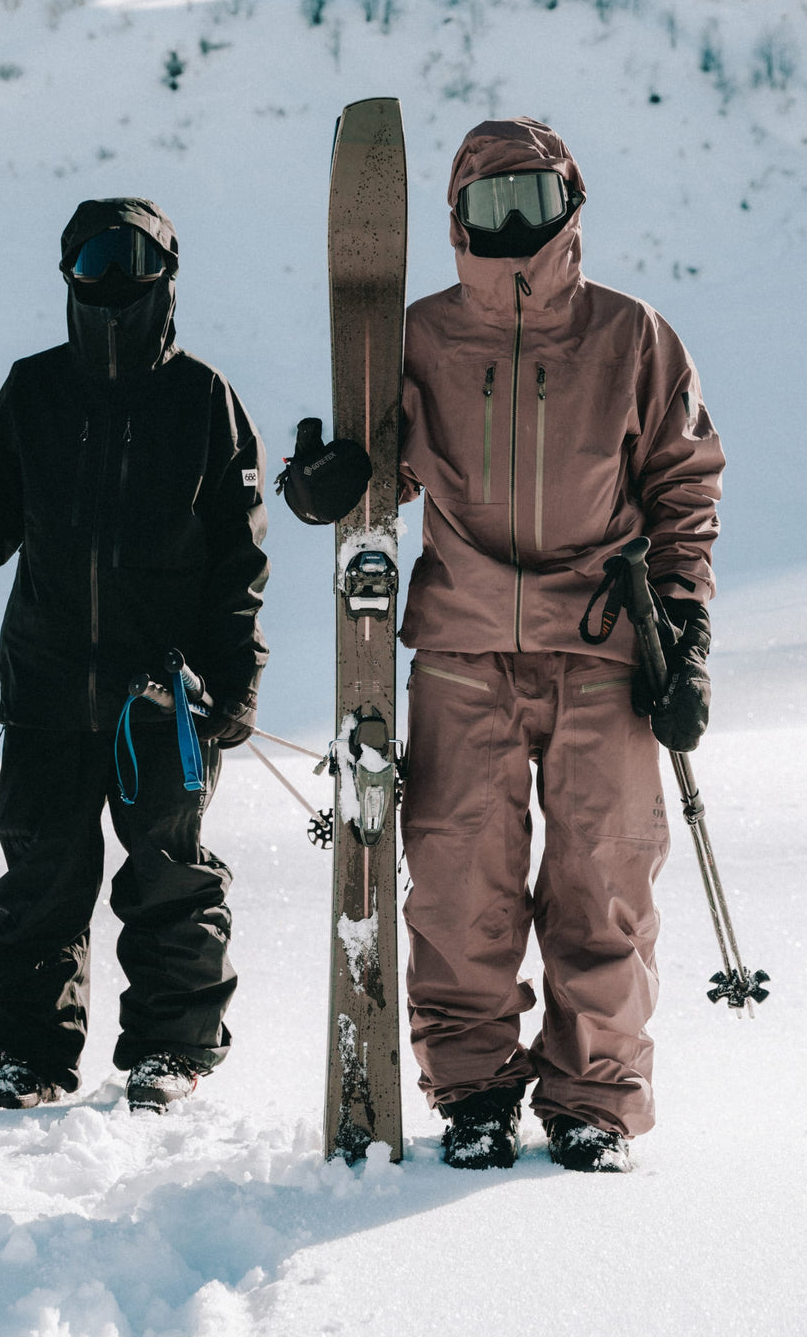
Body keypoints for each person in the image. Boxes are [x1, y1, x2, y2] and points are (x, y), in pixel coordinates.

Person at [282, 118, 723, 1172]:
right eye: (489, 207)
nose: (513, 227)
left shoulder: (631, 335)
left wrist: (686, 632)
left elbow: (682, 488)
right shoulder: (422, 337)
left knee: (602, 879)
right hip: (461, 648)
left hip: (604, 645)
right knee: (457, 879)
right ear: (455, 220)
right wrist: (326, 486)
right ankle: (474, 1091)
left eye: (531, 201)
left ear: (571, 205)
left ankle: (594, 1100)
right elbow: (376, 475)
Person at [0, 197, 269, 1113]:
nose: (110, 279)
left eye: (130, 259)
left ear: (164, 273)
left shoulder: (201, 398)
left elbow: (239, 561)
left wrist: (237, 682)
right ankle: (29, 1055)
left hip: (161, 699)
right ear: (67, 274)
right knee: (41, 885)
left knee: (169, 879)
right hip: (50, 686)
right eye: (92, 260)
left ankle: (169, 1053)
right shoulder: (34, 389)